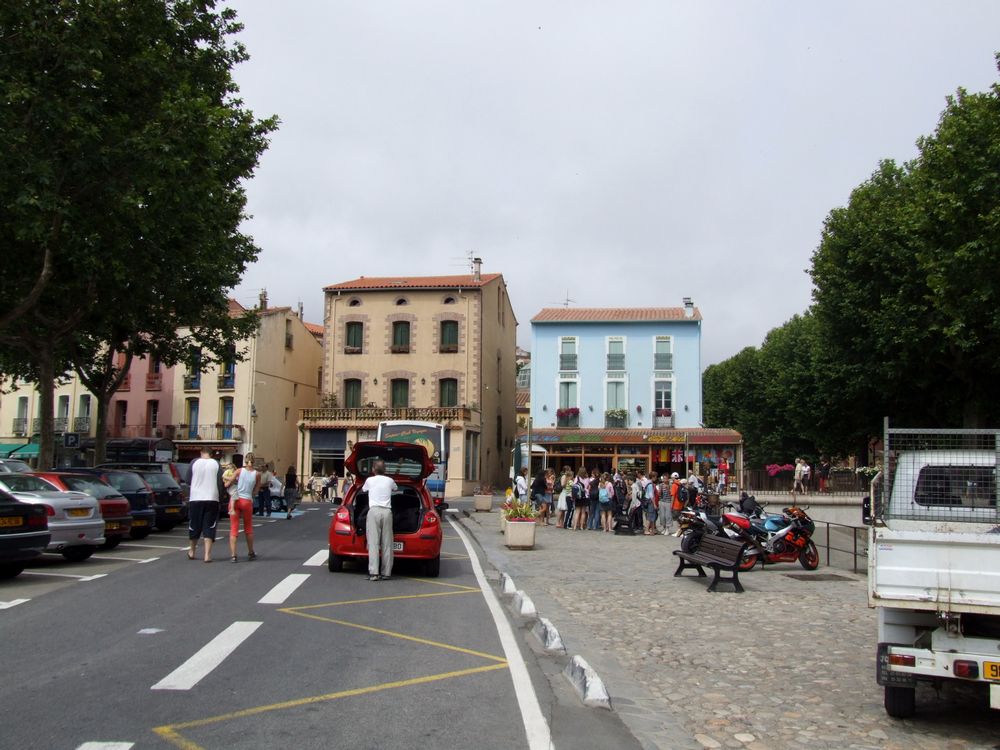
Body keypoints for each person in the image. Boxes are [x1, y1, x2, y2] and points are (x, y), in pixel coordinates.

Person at [362, 459, 397, 581]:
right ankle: (386, 573)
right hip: (387, 512)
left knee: (373, 542)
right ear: (385, 470)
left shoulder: (369, 480)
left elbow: (363, 490)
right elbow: (395, 488)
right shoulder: (390, 480)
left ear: (373, 469)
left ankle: (374, 573)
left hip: (374, 511)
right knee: (387, 543)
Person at [187, 448, 220, 562]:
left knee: (194, 524)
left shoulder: (194, 462)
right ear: (211, 455)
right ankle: (207, 555)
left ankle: (192, 551)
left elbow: (187, 480)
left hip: (195, 497)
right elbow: (219, 482)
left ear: (201, 453)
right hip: (212, 498)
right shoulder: (216, 464)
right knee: (209, 525)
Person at [226, 454, 260, 562]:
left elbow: (228, 484)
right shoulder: (257, 474)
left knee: (234, 527)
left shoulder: (239, 471)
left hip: (236, 500)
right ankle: (250, 552)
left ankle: (233, 555)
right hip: (247, 501)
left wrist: (226, 480)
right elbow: (256, 491)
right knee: (248, 528)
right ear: (254, 462)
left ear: (245, 462)